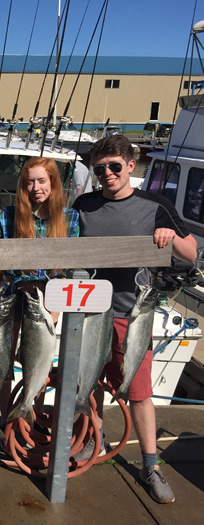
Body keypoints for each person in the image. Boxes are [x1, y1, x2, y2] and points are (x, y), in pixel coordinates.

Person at [73, 134, 197, 504]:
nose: (107, 174)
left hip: (133, 313)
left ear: (131, 165)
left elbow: (190, 253)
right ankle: (91, 441)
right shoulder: (84, 204)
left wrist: (170, 235)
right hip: (91, 311)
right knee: (89, 383)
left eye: (114, 166)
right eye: (100, 169)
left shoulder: (155, 205)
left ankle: (150, 464)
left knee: (140, 392)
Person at [0, 156, 80, 423]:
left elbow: (67, 271)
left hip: (48, 302)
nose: (36, 187)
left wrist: (55, 312)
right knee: (4, 364)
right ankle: (7, 421)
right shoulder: (8, 216)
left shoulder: (70, 217)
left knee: (39, 362)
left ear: (53, 182)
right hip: (13, 296)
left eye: (42, 180)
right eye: (30, 181)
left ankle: (31, 418)